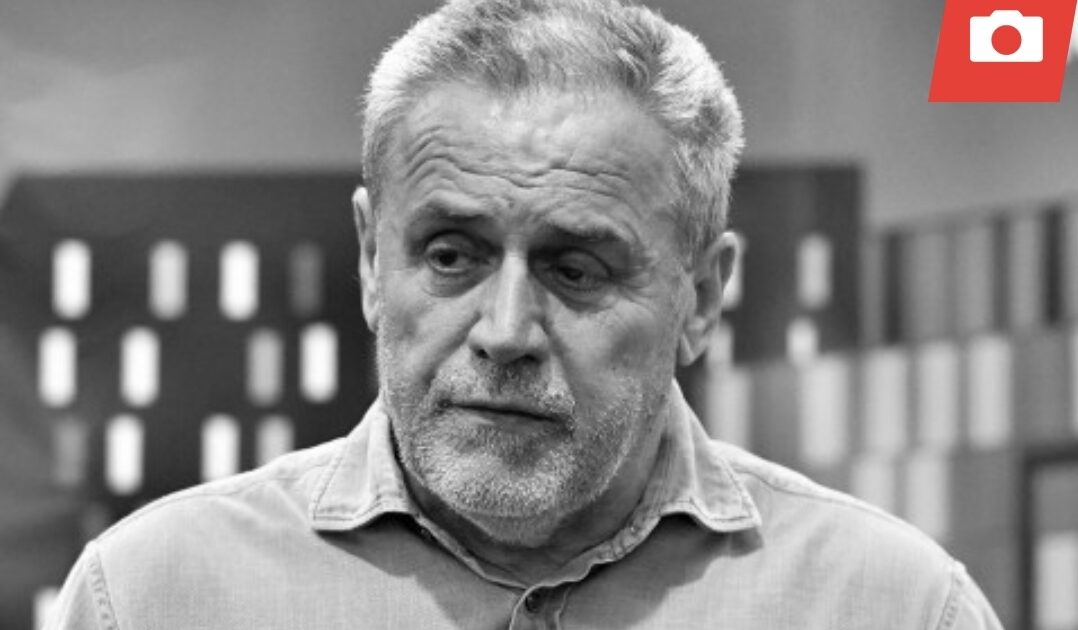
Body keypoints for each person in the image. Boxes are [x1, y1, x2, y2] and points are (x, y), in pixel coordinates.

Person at [48, 0, 1003, 628]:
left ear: (702, 297)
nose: (505, 332)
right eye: (451, 256)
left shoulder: (898, 609)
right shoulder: (148, 599)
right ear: (372, 261)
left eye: (576, 269)